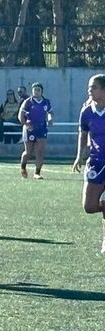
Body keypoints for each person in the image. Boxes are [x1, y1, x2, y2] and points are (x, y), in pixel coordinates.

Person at [73, 74, 105, 254]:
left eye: (93, 87)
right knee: (89, 207)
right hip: (95, 161)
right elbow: (83, 134)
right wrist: (79, 156)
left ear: (103, 89)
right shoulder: (87, 111)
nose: (89, 90)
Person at [19, 82, 53, 179]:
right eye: (35, 90)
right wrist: (25, 124)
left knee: (40, 151)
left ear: (42, 91)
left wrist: (50, 119)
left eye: (38, 90)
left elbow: (50, 112)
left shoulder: (46, 102)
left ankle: (37, 173)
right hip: (30, 128)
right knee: (28, 152)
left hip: (42, 128)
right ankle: (23, 166)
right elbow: (20, 115)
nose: (36, 91)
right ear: (32, 91)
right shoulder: (28, 102)